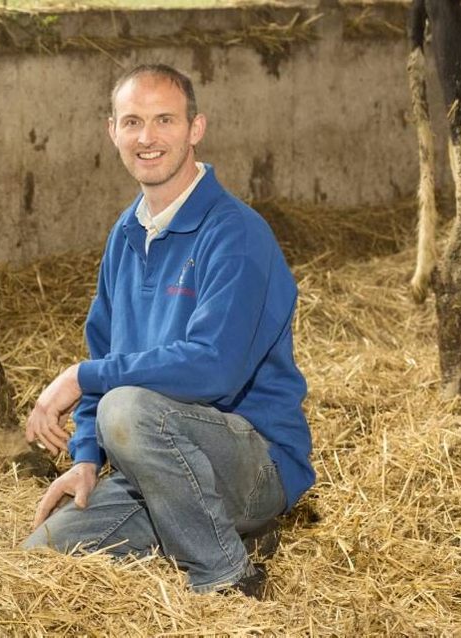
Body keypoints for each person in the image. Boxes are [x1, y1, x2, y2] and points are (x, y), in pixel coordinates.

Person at [22, 64, 314, 598]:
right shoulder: (127, 232)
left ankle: (226, 574)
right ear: (112, 131)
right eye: (132, 122)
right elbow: (105, 348)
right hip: (161, 470)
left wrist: (81, 378)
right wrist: (86, 458)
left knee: (125, 407)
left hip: (252, 461)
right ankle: (233, 534)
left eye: (164, 120)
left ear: (195, 128)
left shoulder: (236, 233)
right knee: (42, 555)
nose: (147, 138)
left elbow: (214, 368)